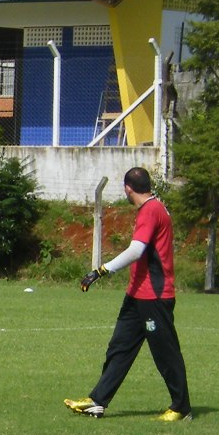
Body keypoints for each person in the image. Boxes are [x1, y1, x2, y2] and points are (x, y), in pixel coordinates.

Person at [65, 166, 191, 421]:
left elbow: (136, 250)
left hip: (154, 297)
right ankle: (98, 401)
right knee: (119, 348)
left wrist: (100, 270)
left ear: (128, 188)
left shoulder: (150, 210)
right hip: (137, 295)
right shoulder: (153, 208)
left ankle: (181, 408)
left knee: (165, 353)